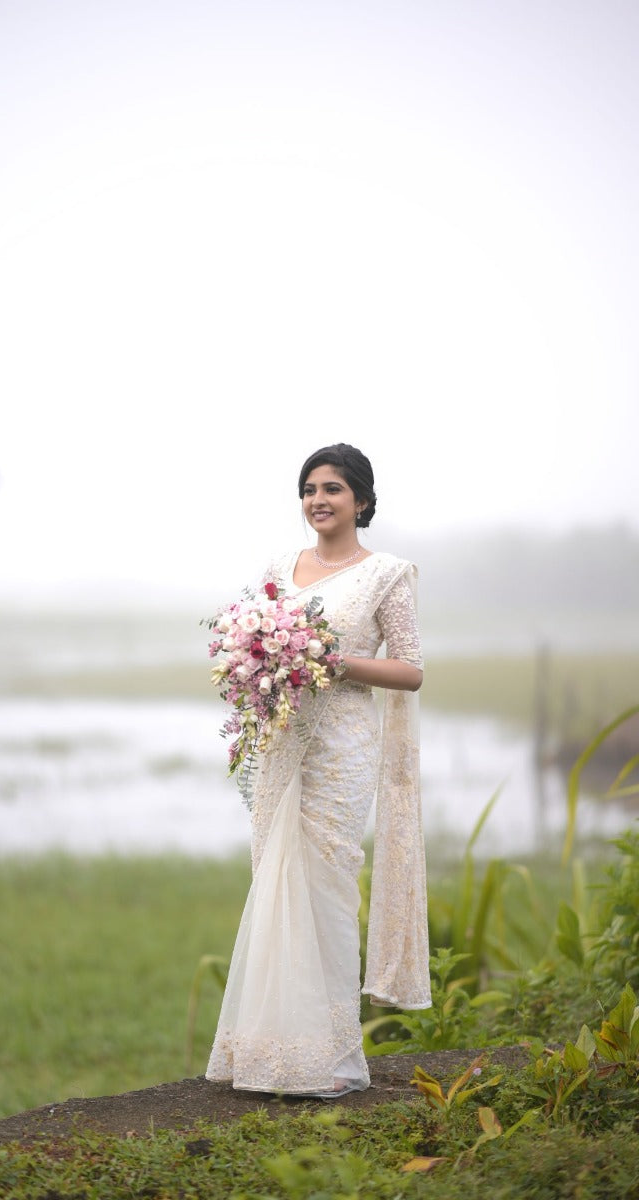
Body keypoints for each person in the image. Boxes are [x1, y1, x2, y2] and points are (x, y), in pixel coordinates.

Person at [205, 442, 431, 1098]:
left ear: (361, 499)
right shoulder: (281, 565)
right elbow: (257, 643)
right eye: (309, 489)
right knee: (277, 877)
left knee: (327, 881)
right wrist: (255, 660)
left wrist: (330, 660)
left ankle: (330, 1058)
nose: (318, 500)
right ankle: (268, 1052)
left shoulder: (386, 573)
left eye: (332, 488)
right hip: (285, 739)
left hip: (344, 743)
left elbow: (411, 669)